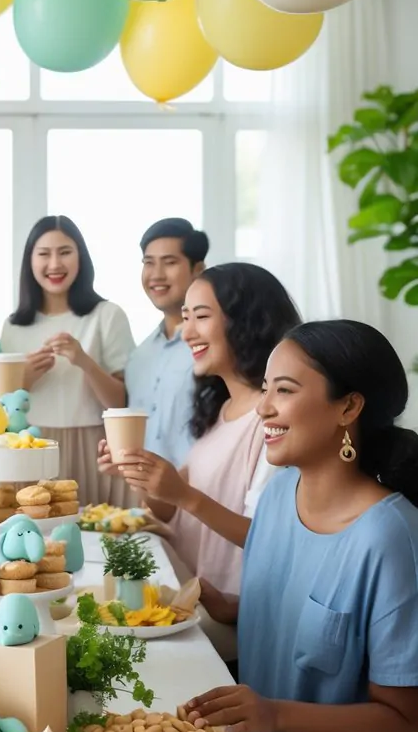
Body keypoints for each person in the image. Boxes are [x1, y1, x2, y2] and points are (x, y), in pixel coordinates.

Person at [181, 321, 418, 732]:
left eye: (284, 390)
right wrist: (227, 605)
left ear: (348, 408)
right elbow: (299, 607)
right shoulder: (280, 495)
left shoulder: (389, 539)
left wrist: (273, 714)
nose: (263, 407)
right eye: (265, 388)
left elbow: (405, 723)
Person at [100, 262, 300, 659]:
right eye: (186, 317)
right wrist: (141, 475)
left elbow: (268, 538)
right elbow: (172, 510)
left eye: (201, 317)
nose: (187, 332)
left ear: (246, 322)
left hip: (235, 621)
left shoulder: (271, 422)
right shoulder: (220, 409)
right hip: (193, 601)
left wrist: (183, 494)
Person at [1, 215, 135, 505]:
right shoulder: (13, 326)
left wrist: (84, 362)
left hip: (94, 446)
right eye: (44, 254)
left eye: (65, 252)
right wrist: (24, 380)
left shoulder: (107, 315)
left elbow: (120, 403)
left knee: (96, 526)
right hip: (29, 448)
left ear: (81, 257)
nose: (54, 264)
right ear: (29, 261)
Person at [124, 217, 209, 466]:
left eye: (170, 262)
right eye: (148, 263)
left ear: (198, 270)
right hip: (144, 488)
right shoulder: (139, 357)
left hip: (200, 486)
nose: (157, 275)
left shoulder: (215, 349)